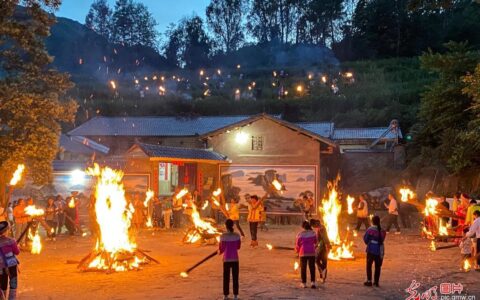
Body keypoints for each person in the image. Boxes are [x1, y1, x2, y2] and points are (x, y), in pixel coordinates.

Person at [218, 219, 241, 300]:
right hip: (235, 259)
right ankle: (235, 295)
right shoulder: (237, 235)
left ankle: (225, 295)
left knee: (226, 277)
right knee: (235, 277)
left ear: (225, 225)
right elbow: (238, 247)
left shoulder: (223, 236)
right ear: (232, 225)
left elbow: (222, 249)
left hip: (226, 259)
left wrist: (219, 251)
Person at [363, 215, 386, 287]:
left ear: (372, 221)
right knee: (378, 267)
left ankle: (369, 281)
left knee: (369, 265)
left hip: (371, 249)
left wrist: (369, 242)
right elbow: (382, 239)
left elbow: (365, 239)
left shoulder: (370, 229)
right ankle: (376, 282)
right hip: (379, 250)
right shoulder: (382, 230)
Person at [295, 221, 318, 289]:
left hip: (303, 253)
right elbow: (316, 242)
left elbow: (297, 245)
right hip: (311, 252)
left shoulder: (300, 234)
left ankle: (304, 283)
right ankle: (313, 282)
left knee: (303, 268)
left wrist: (297, 251)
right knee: (312, 268)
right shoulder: (314, 233)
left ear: (303, 227)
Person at [0, 221, 19, 300]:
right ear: (6, 231)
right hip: (11, 264)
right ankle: (12, 298)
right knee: (13, 282)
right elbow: (17, 252)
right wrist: (17, 246)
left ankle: (2, 298)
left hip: (0, 267)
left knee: (3, 283)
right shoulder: (11, 241)